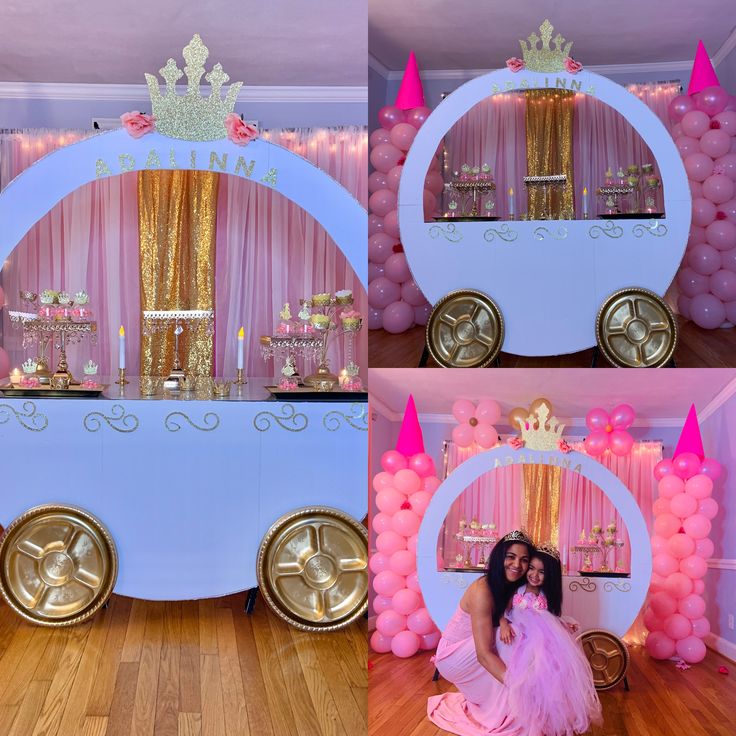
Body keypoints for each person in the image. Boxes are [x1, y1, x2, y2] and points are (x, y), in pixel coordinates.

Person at [427, 530, 533, 735]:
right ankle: (514, 702)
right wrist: (520, 688)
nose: (517, 565)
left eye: (524, 560)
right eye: (510, 557)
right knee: (513, 637)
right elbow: (484, 654)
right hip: (452, 656)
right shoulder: (482, 590)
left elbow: (511, 614)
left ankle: (507, 706)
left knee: (519, 631)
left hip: (478, 648)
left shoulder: (511, 586)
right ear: (499, 557)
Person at [497, 544, 602, 736]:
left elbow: (546, 618)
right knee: (526, 675)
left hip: (542, 639)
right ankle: (525, 715)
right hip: (520, 636)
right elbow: (502, 611)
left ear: (550, 576)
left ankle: (545, 715)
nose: (535, 575)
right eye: (532, 568)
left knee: (551, 672)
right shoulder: (517, 590)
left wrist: (562, 624)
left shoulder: (545, 596)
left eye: (542, 572)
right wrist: (503, 624)